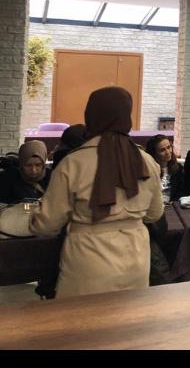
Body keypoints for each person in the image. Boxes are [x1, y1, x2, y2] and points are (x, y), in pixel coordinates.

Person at [29, 86, 163, 299]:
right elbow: (154, 214)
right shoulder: (147, 161)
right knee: (128, 317)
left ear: (91, 116)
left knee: (84, 319)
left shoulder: (74, 163)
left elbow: (47, 225)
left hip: (88, 261)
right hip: (136, 259)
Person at [145, 135, 185, 203]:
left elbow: (181, 193)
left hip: (172, 205)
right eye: (162, 150)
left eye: (169, 147)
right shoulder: (148, 170)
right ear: (154, 153)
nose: (167, 152)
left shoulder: (178, 168)